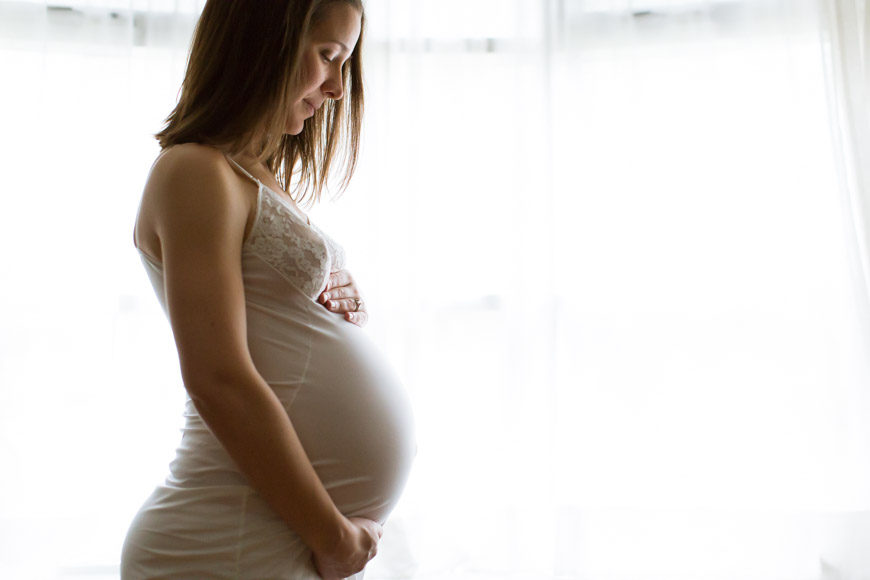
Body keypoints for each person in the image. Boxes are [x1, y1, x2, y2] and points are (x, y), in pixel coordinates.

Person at [121, 1, 417, 578]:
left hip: (261, 536)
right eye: (328, 57)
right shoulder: (194, 171)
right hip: (219, 540)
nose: (336, 88)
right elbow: (218, 378)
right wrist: (333, 538)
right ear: (265, 42)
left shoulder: (247, 174)